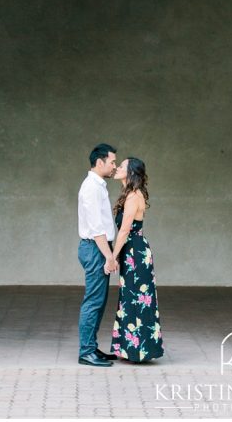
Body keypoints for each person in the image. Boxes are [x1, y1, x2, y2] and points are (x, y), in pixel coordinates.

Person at [108, 157, 164, 362]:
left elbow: (124, 230)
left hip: (135, 252)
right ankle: (130, 349)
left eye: (122, 166)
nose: (117, 168)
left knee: (137, 299)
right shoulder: (129, 194)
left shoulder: (133, 196)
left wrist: (112, 257)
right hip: (131, 251)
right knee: (130, 299)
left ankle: (139, 351)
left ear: (130, 172)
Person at [77, 142, 119, 367]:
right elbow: (96, 228)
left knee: (99, 301)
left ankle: (91, 348)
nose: (114, 166)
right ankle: (86, 352)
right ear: (99, 162)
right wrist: (109, 257)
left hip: (98, 248)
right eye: (112, 162)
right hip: (95, 248)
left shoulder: (98, 185)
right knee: (93, 301)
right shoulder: (91, 187)